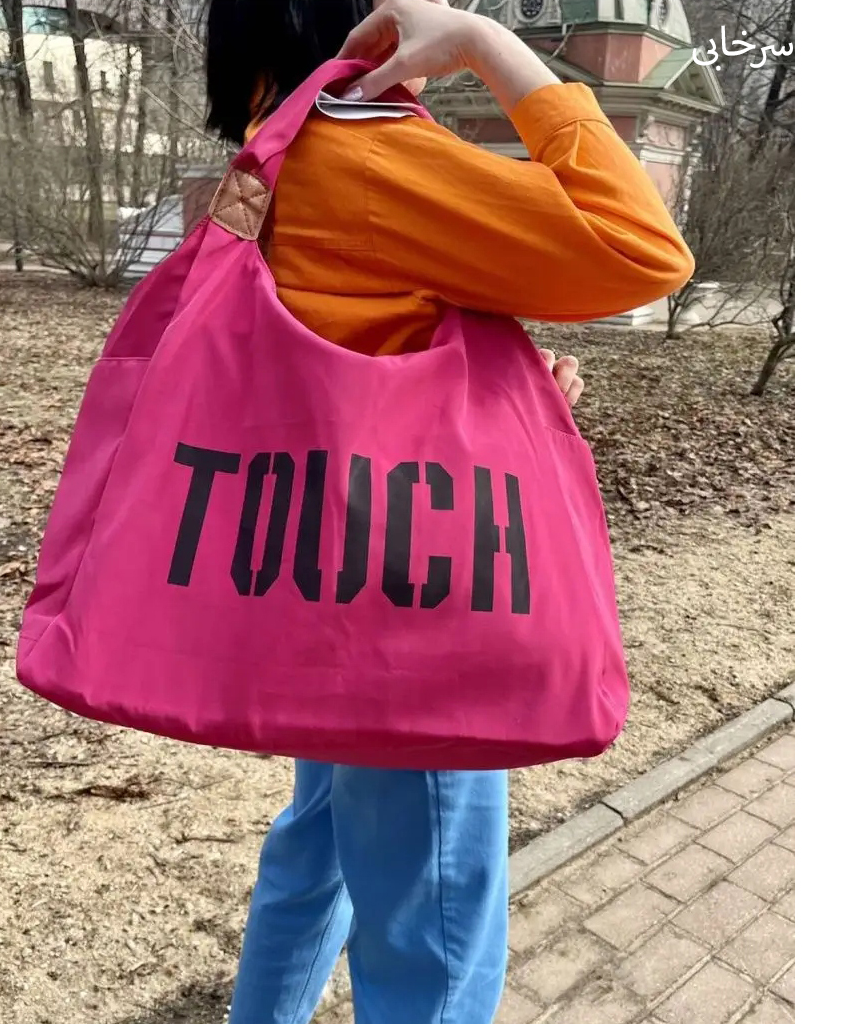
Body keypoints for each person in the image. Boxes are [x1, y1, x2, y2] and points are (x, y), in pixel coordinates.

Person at [202, 2, 694, 1021]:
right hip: (415, 589)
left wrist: (505, 382)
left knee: (317, 848)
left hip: (325, 566)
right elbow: (642, 247)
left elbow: (363, 337)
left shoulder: (275, 145)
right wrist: (488, 45)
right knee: (433, 928)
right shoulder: (371, 152)